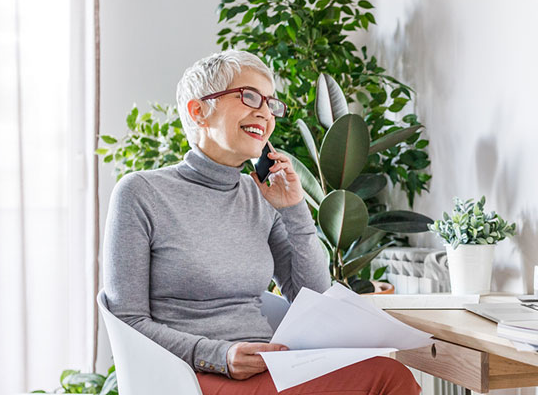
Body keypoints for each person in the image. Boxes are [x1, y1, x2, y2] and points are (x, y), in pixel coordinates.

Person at [103, 50, 420, 395]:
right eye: (249, 96)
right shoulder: (141, 192)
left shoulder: (260, 196)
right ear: (199, 111)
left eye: (270, 103)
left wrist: (294, 209)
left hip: (269, 362)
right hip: (186, 373)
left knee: (390, 374)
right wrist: (218, 356)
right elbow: (127, 320)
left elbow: (311, 298)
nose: (265, 113)